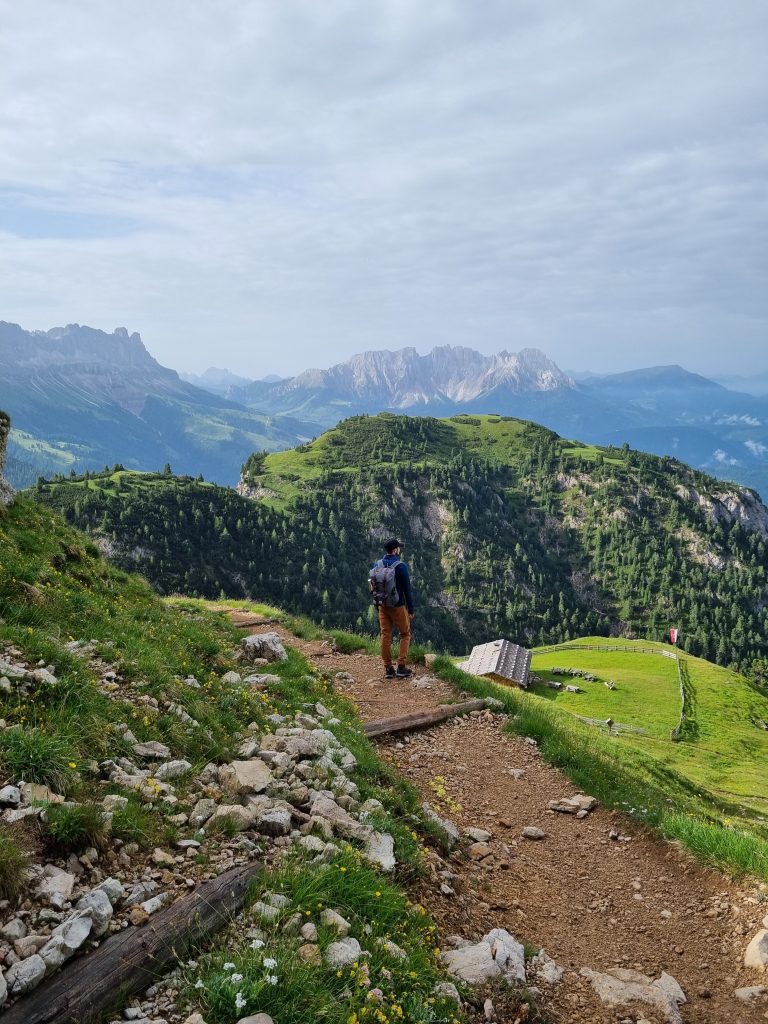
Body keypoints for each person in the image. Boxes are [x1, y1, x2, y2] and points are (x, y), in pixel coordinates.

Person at [372, 538, 414, 678]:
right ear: (395, 550)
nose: (399, 549)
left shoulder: (377, 564)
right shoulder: (400, 566)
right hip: (398, 606)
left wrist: (378, 606)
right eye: (398, 548)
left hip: (382, 605)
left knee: (385, 635)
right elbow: (407, 590)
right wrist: (411, 610)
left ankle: (388, 668)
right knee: (405, 634)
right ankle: (401, 666)